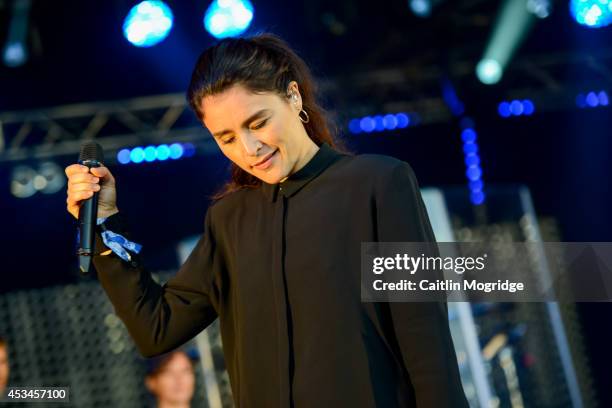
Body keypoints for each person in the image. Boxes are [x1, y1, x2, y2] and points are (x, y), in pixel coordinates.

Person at [65, 33, 468, 407]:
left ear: (293, 96)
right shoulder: (229, 220)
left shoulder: (378, 183)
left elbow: (425, 341)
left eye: (257, 122)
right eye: (226, 138)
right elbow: (157, 329)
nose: (250, 147)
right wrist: (105, 222)